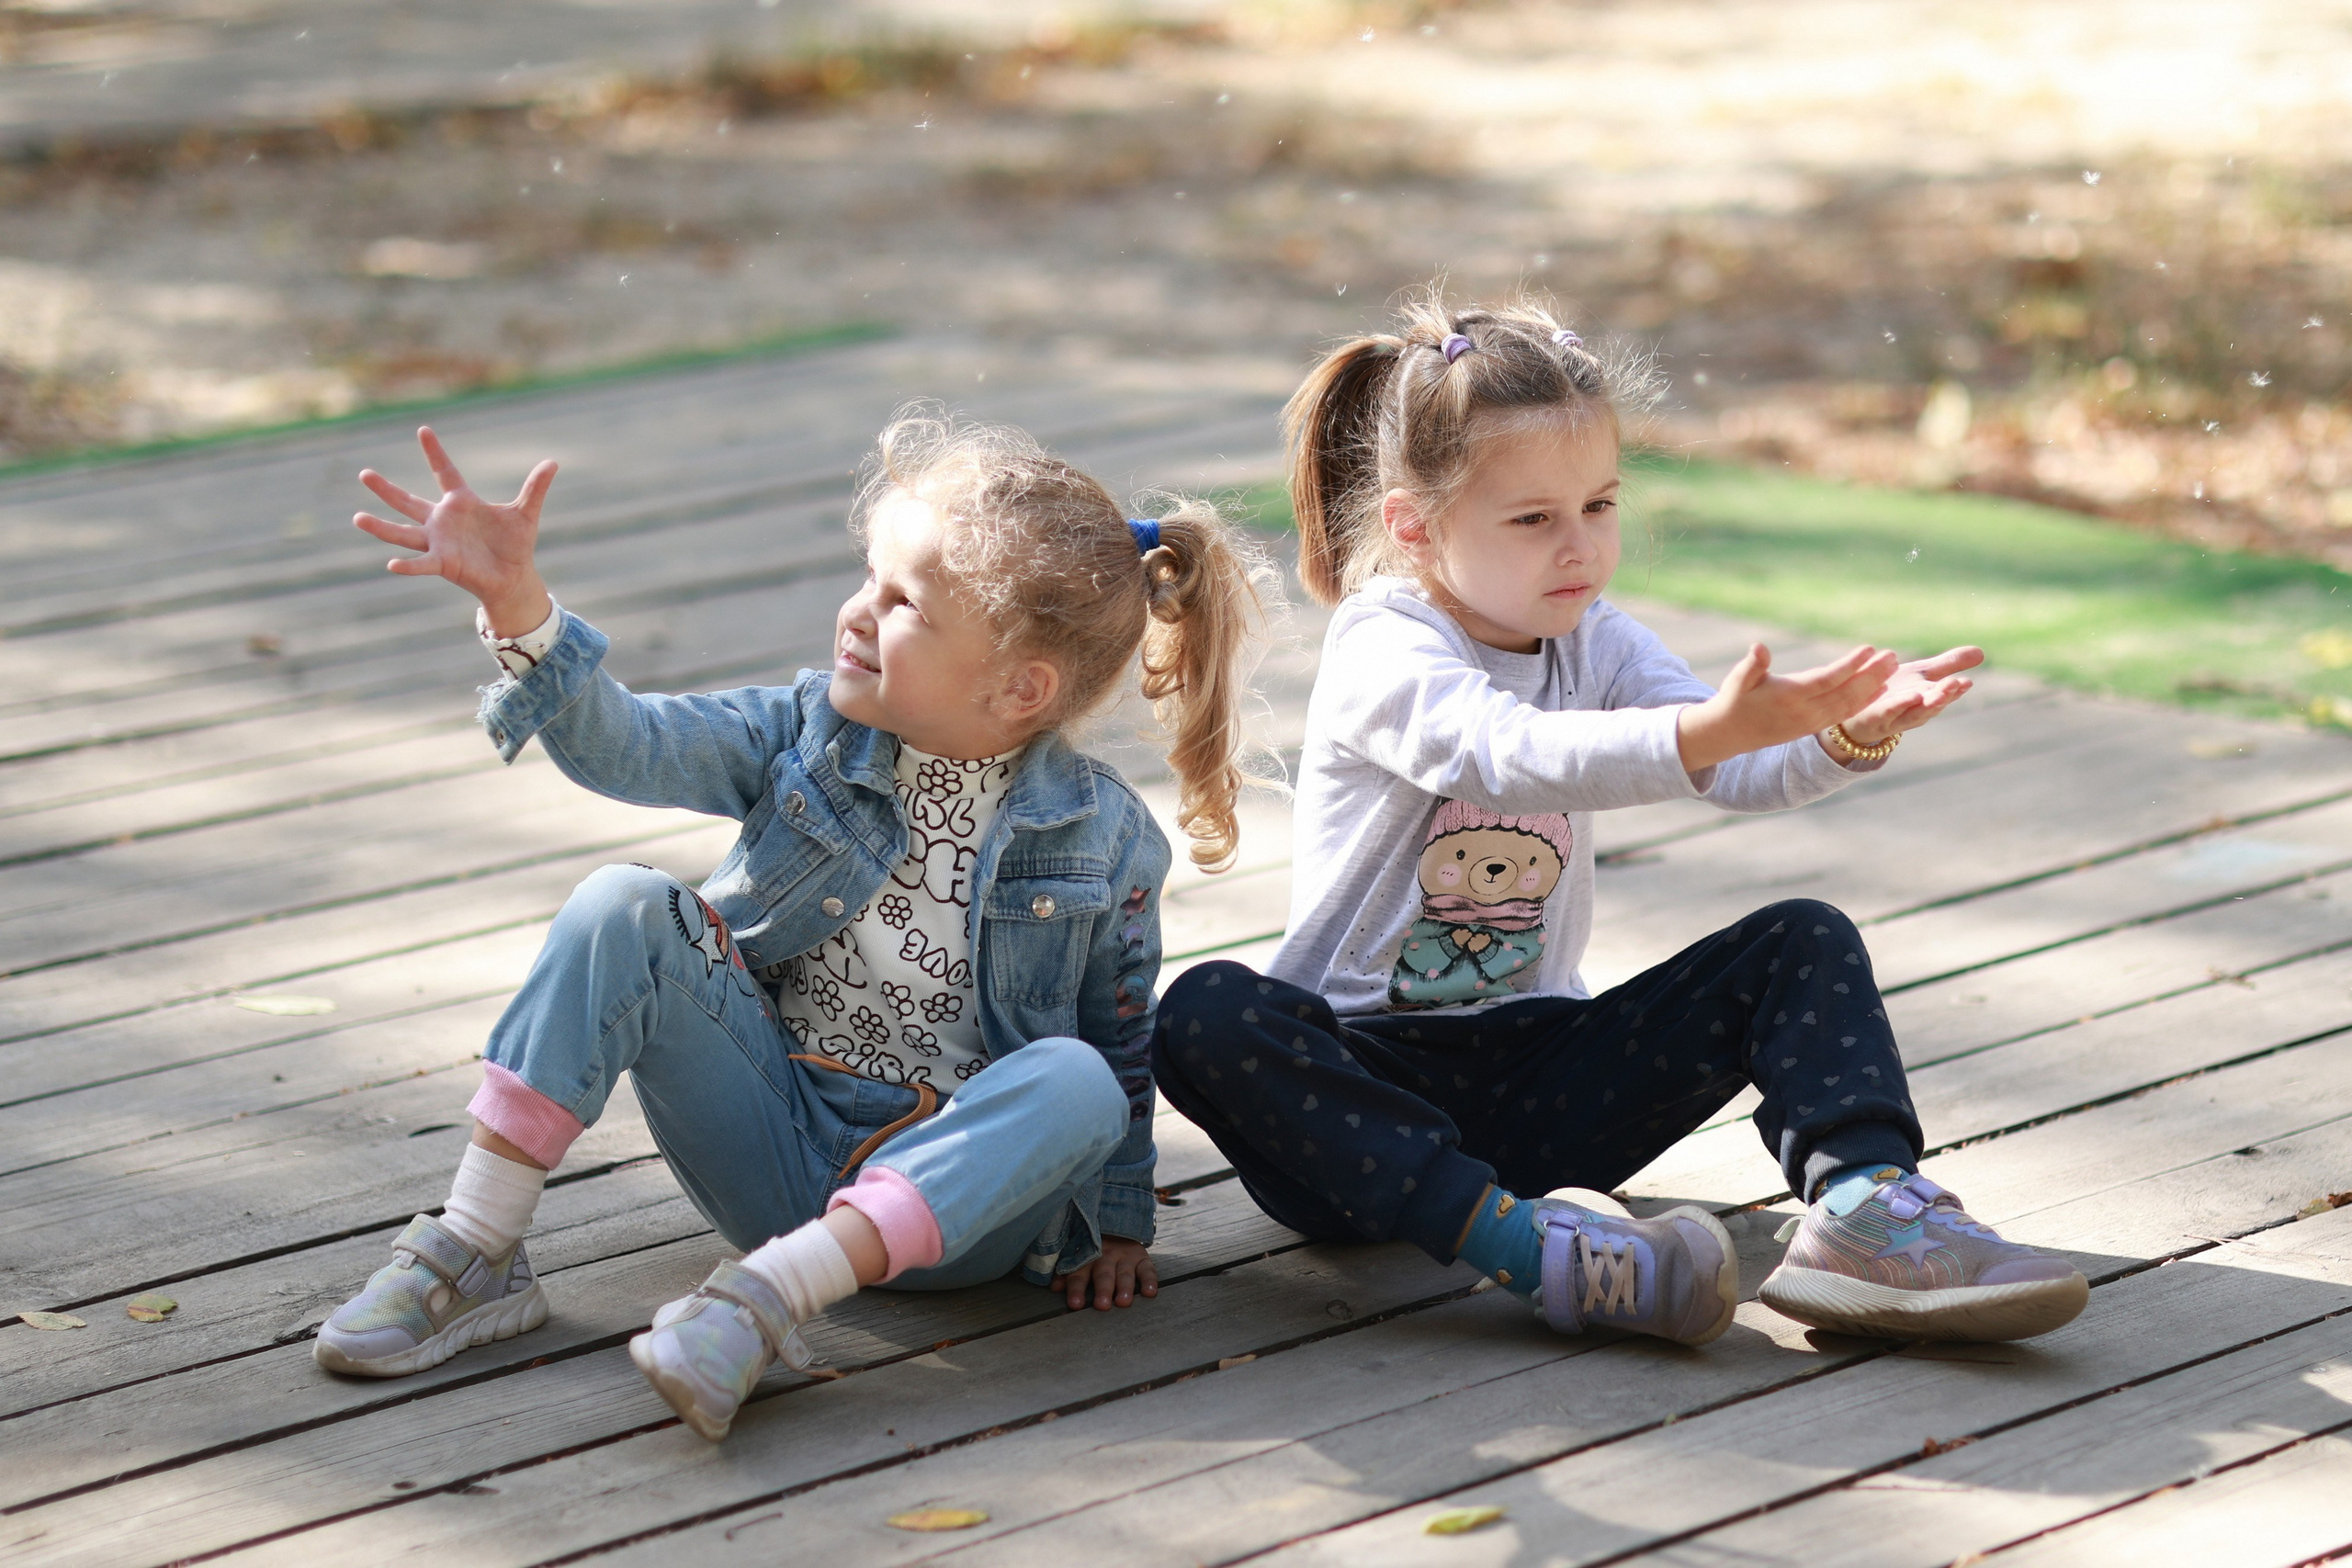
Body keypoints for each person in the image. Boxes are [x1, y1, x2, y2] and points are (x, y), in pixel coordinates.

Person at [315, 411, 1271, 1441]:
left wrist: (1119, 1223)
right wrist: (522, 609)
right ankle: (476, 1245)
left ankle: (762, 1305)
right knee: (622, 904)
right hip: (772, 1146)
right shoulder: (805, 734)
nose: (859, 612)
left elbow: (1119, 1040)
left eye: (904, 604)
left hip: (956, 1216)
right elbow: (627, 747)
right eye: (868, 577)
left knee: (1075, 1075)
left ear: (1019, 687)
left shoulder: (1104, 837)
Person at [1152, 299, 2088, 1345]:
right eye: (1532, 519)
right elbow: (1502, 756)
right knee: (1208, 1011)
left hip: (1546, 1076)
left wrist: (1845, 733)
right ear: (1415, 526)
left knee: (1801, 938)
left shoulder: (1593, 637)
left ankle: (1867, 1216)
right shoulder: (1384, 645)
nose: (1579, 548)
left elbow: (1739, 771)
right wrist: (1704, 729)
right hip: (1361, 1108)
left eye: (1598, 505)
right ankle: (1538, 1256)